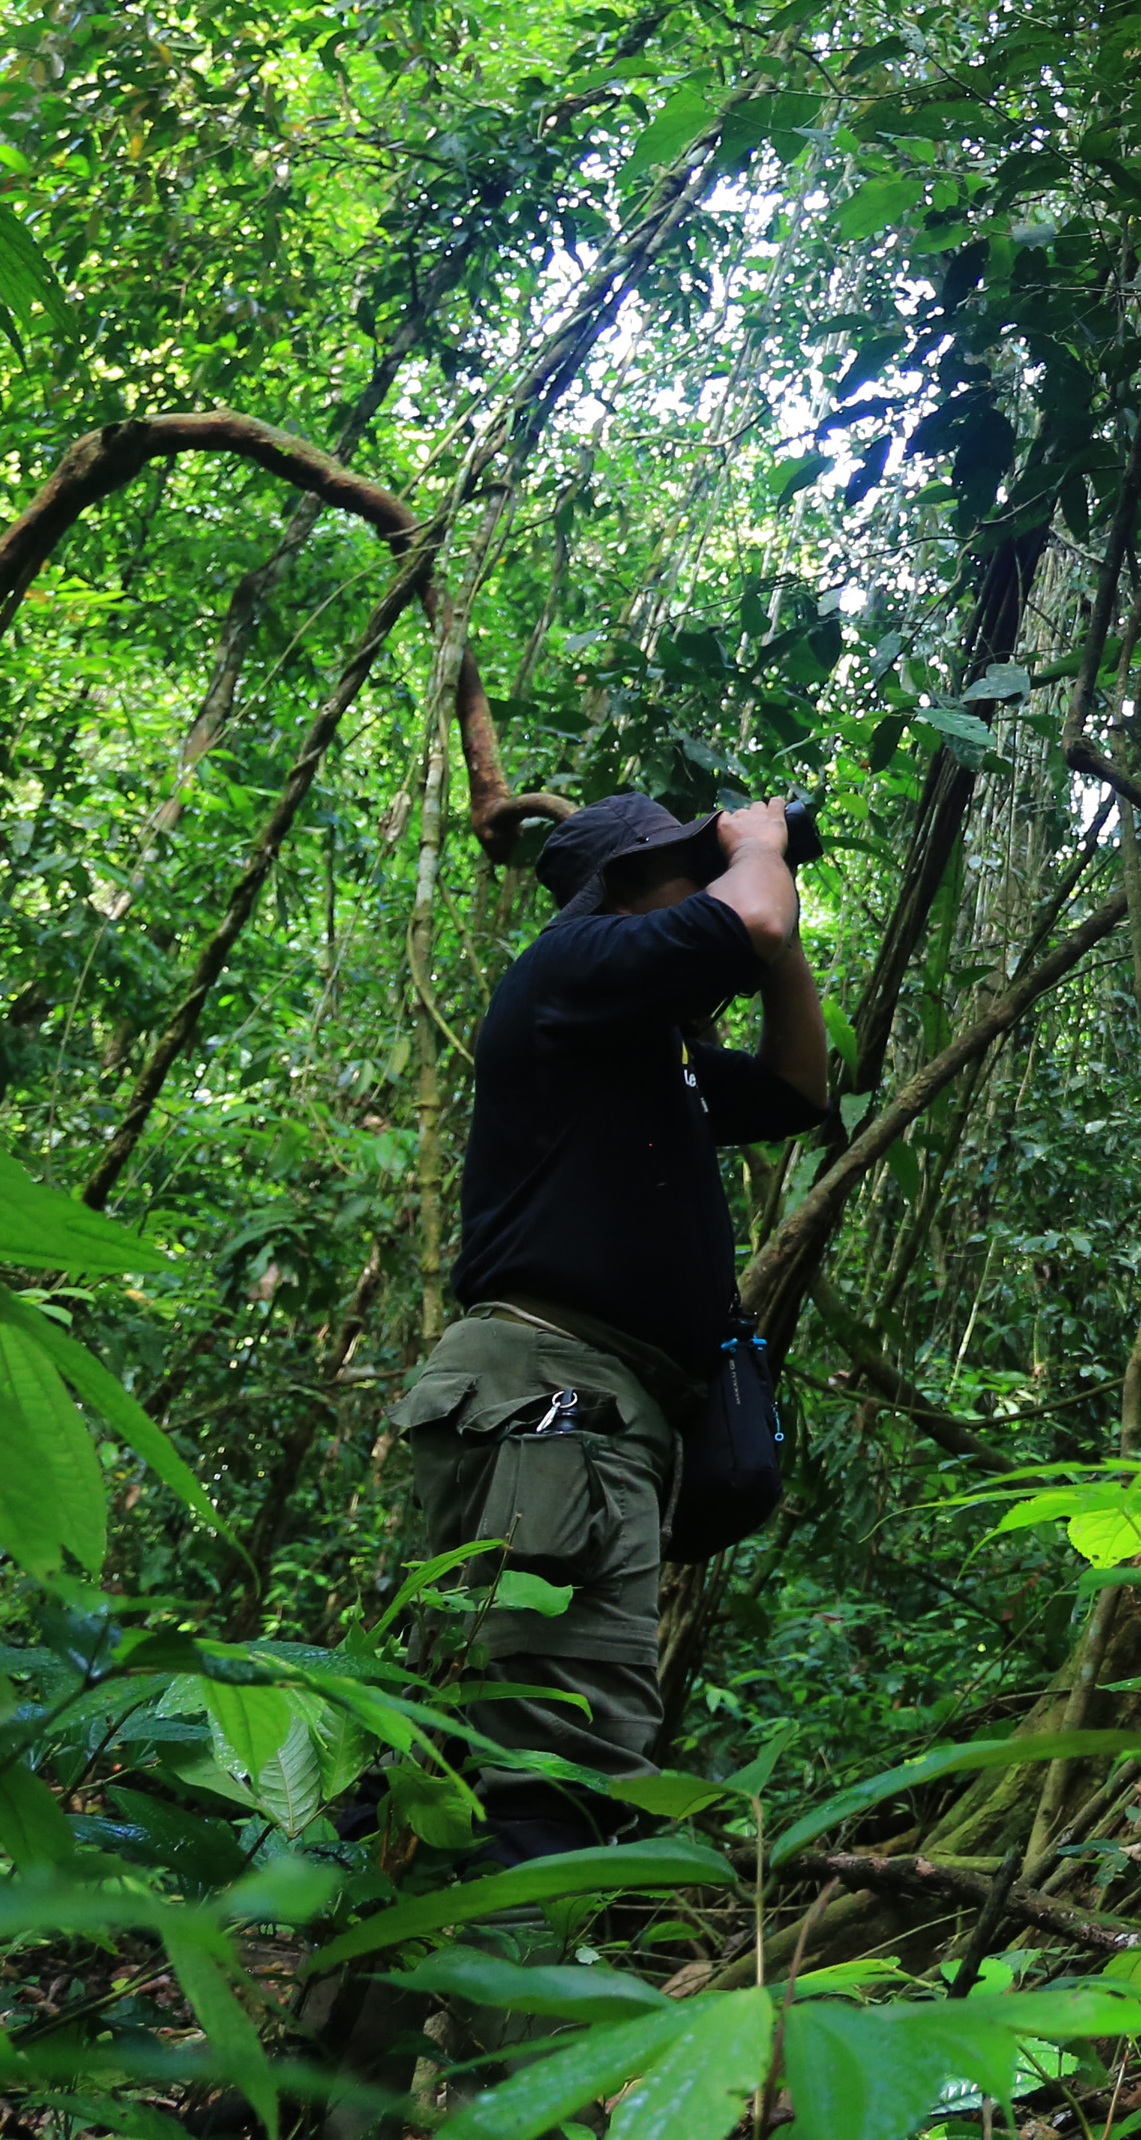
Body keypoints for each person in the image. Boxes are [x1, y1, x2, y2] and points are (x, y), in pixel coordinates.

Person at [379, 793, 829, 1864]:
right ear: (625, 891)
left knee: (478, 1744)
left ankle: (378, 2018)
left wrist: (777, 931)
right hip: (553, 1395)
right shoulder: (570, 965)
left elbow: (794, 1088)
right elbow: (753, 920)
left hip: (583, 1405)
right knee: (559, 1768)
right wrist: (759, 849)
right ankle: (536, 2023)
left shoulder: (642, 1048)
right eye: (692, 867)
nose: (718, 882)